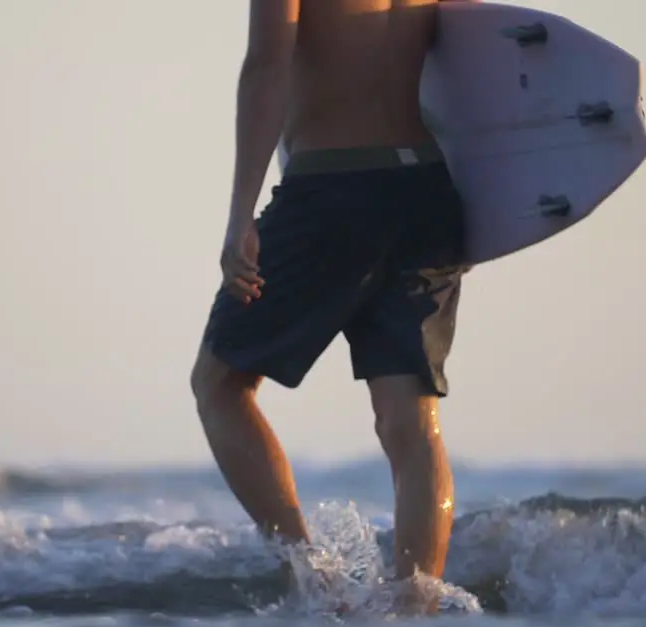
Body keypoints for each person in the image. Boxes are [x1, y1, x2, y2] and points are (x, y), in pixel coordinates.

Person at [190, 0, 467, 585]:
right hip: (430, 188)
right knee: (411, 420)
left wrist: (241, 214)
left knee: (219, 384)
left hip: (332, 191)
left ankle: (320, 585)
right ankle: (415, 614)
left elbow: (267, 65)